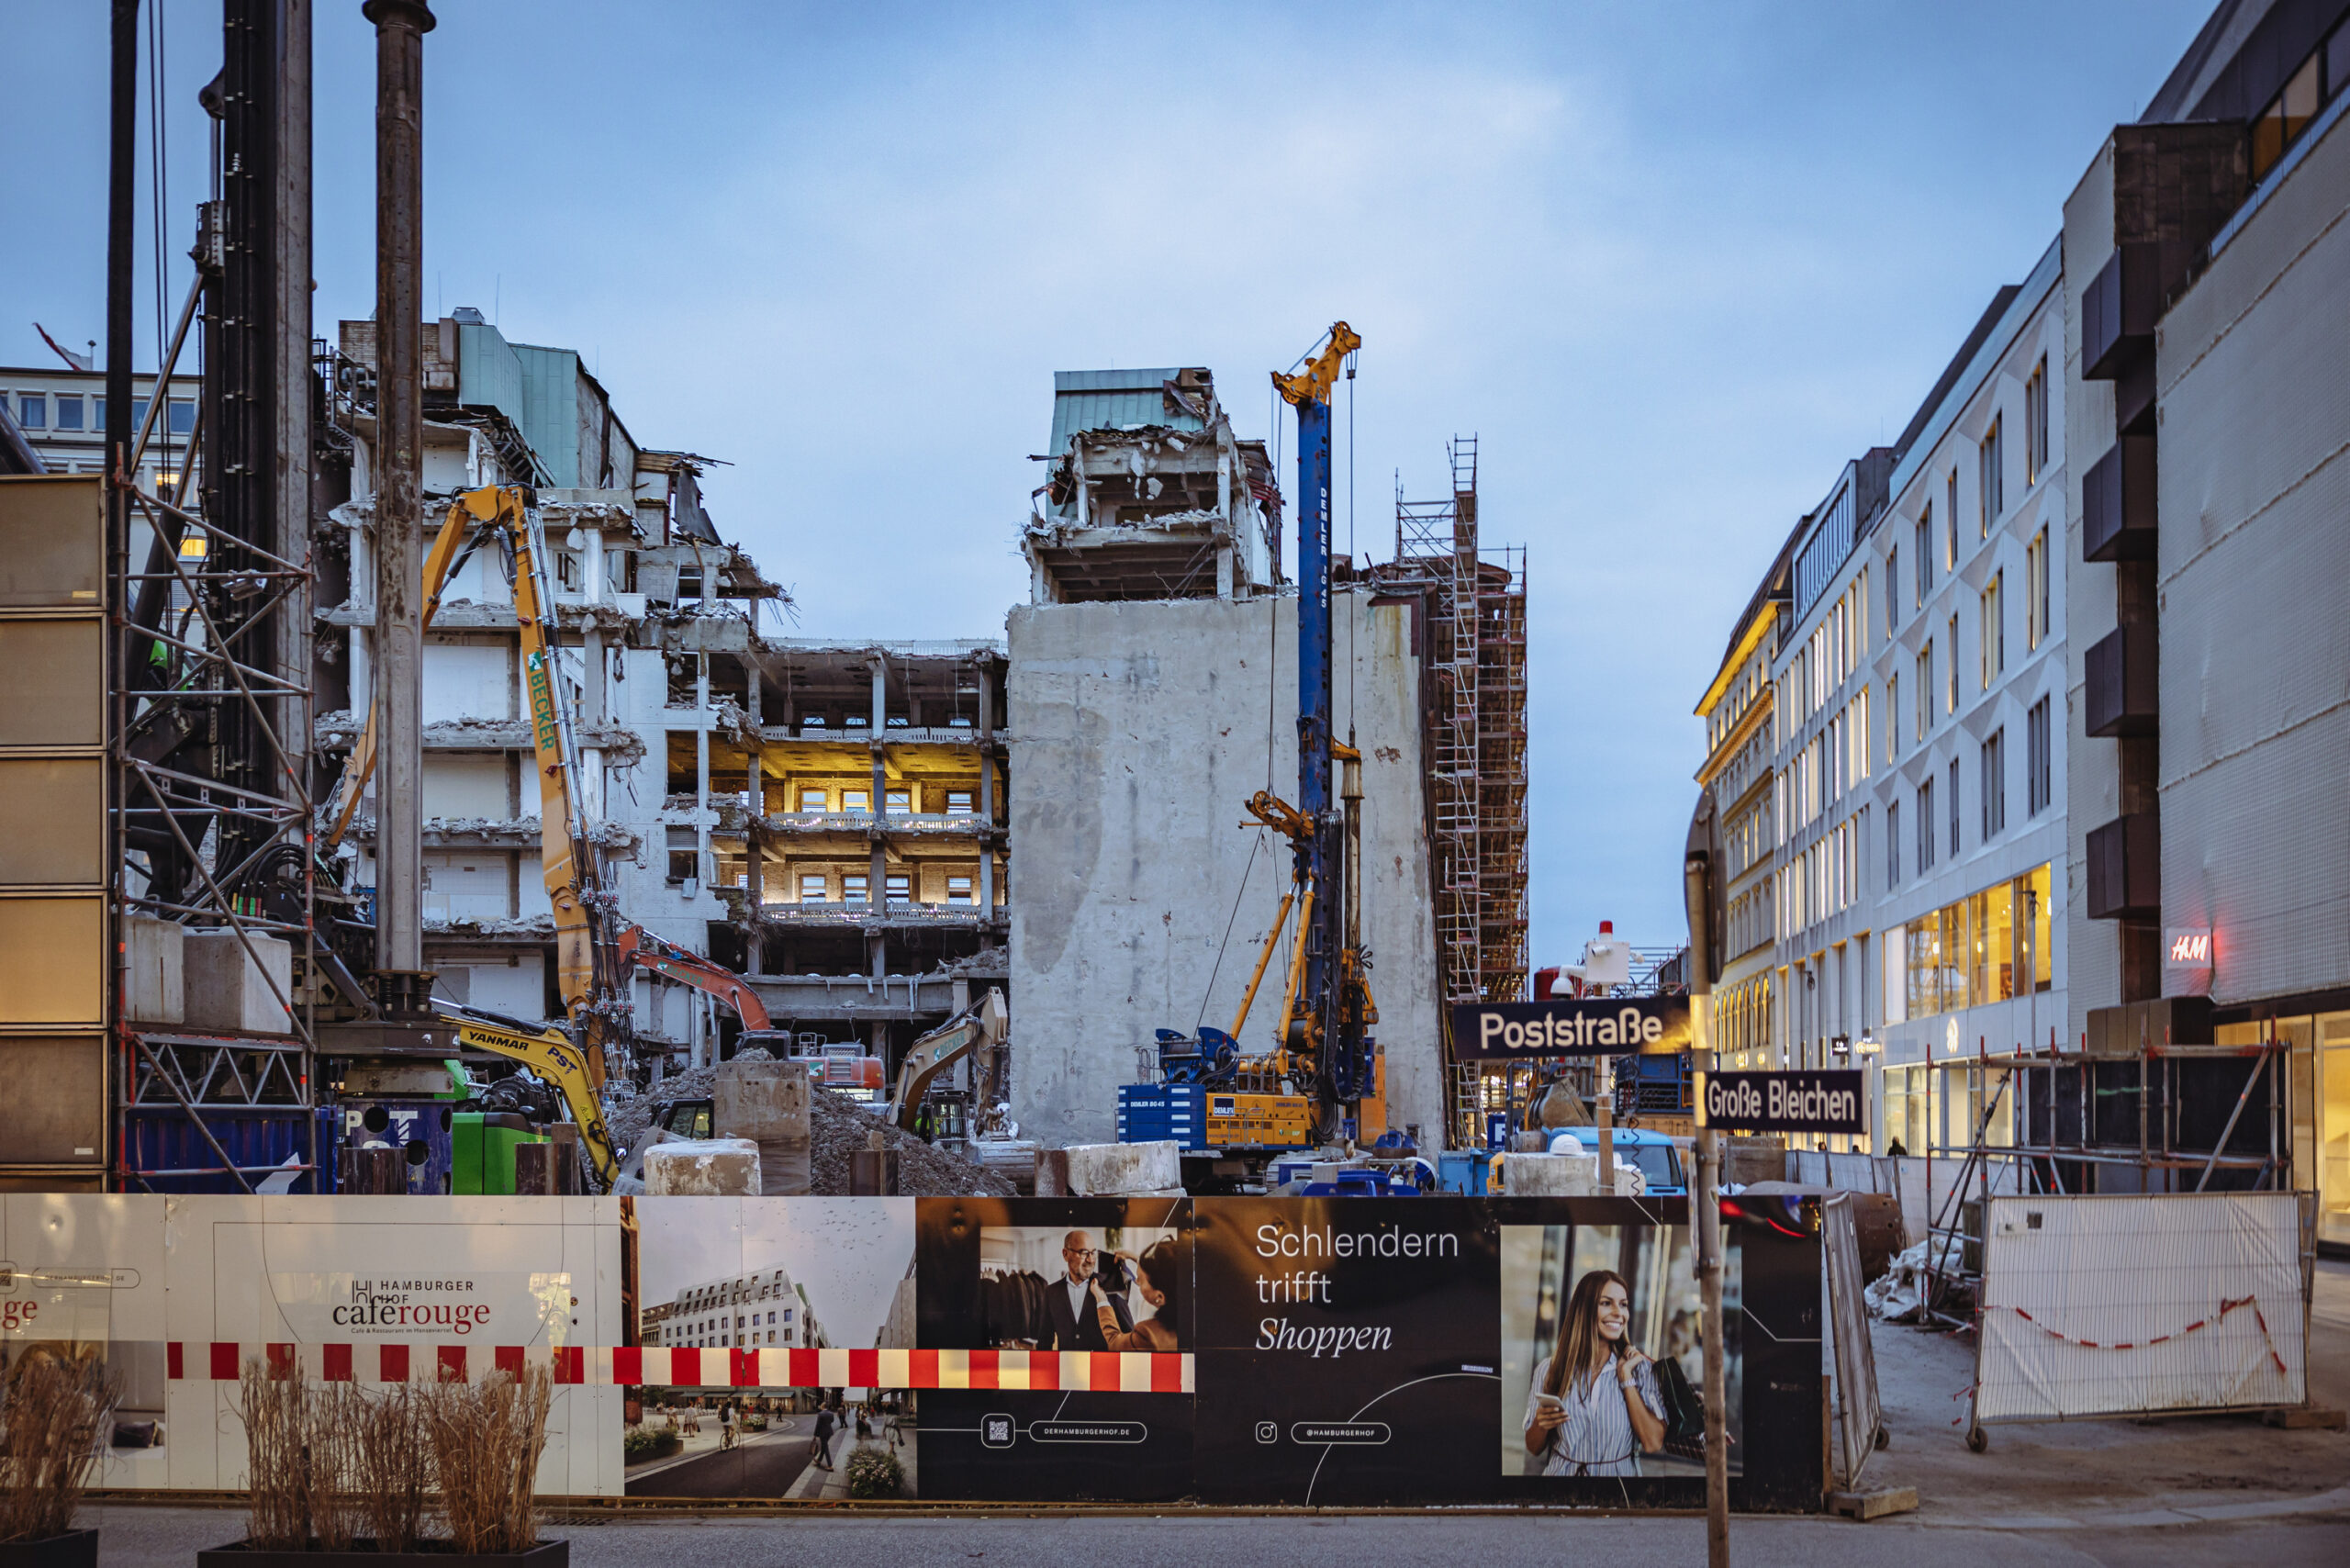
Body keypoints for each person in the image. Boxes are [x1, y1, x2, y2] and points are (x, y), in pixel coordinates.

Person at [1523, 1269, 1666, 1477]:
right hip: (1560, 1493)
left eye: (1623, 1304)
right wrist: (1540, 1423)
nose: (1619, 1313)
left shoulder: (1639, 1369)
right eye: (1606, 1303)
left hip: (1618, 1495)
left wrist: (1625, 1378)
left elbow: (1653, 1443)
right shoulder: (1549, 1369)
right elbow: (1533, 1447)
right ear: (1585, 1309)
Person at [1088, 1238, 1182, 1352]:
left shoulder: (1148, 1335)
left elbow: (1114, 1342)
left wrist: (1101, 1300)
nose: (1136, 1281)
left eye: (1141, 1280)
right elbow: (1168, 1268)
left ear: (1160, 1297)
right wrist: (1136, 1258)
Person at [1044, 1229, 1131, 1350]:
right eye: (1084, 1253)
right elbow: (1044, 1340)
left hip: (1102, 1367)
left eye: (1093, 1253)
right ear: (1065, 1254)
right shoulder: (1050, 1292)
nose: (1090, 1260)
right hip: (1067, 1366)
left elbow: (1129, 1337)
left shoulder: (1111, 1287)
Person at [811, 1405, 835, 1470]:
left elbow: (818, 1425)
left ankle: (830, 1465)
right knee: (824, 1447)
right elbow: (832, 1421)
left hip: (823, 1433)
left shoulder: (820, 1414)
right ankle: (819, 1460)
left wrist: (815, 1435)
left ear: (822, 1407)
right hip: (829, 1432)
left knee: (826, 1448)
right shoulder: (831, 1413)